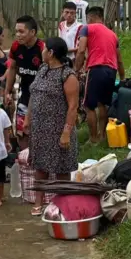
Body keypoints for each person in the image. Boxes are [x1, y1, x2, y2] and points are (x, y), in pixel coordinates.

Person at [25, 38, 80, 216]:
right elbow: (33, 95)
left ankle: (62, 204)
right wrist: (27, 118)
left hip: (58, 129)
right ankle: (39, 202)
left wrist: (66, 132)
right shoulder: (43, 69)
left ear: (51, 53)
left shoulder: (68, 75)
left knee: (61, 168)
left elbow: (73, 107)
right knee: (40, 166)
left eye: (44, 49)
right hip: (40, 129)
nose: (42, 52)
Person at [75, 6, 126, 144]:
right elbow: (119, 60)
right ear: (102, 18)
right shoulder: (113, 34)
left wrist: (75, 69)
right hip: (111, 71)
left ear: (90, 17)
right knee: (102, 103)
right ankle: (102, 135)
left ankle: (93, 139)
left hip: (96, 69)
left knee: (89, 106)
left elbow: (81, 50)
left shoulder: (87, 28)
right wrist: (122, 78)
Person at [3, 15, 46, 139]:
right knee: (21, 132)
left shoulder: (42, 48)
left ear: (32, 32)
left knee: (39, 132)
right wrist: (7, 92)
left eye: (21, 32)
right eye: (16, 31)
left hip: (41, 96)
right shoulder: (16, 47)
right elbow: (12, 68)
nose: (18, 35)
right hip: (25, 93)